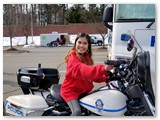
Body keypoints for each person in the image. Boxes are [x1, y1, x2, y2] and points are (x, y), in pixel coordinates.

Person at [60, 33, 114, 116]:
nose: (81, 45)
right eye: (79, 42)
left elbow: (91, 76)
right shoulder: (72, 57)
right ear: (75, 43)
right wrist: (103, 69)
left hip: (82, 91)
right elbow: (82, 70)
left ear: (88, 45)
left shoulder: (86, 58)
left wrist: (106, 77)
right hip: (70, 91)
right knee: (77, 112)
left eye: (85, 43)